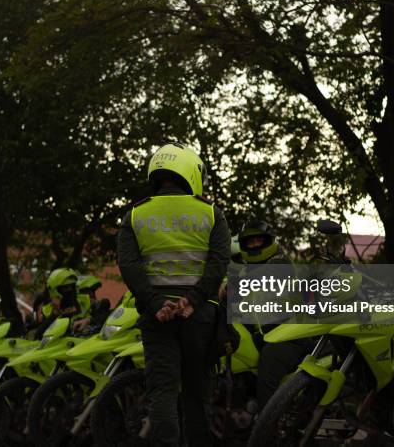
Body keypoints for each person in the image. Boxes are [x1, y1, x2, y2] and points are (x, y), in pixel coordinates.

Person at [117, 143, 230, 447]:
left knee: (163, 391)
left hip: (158, 315)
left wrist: (155, 304)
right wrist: (192, 301)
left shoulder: (135, 215)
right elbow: (219, 262)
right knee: (197, 393)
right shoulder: (210, 212)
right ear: (189, 172)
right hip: (199, 315)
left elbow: (128, 265)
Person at [237, 218, 313, 409]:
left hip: (291, 335)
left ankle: (268, 431)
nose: (254, 245)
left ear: (268, 241)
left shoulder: (280, 262)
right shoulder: (244, 272)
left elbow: (265, 276)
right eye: (249, 242)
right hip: (266, 335)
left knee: (268, 367)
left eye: (258, 241)